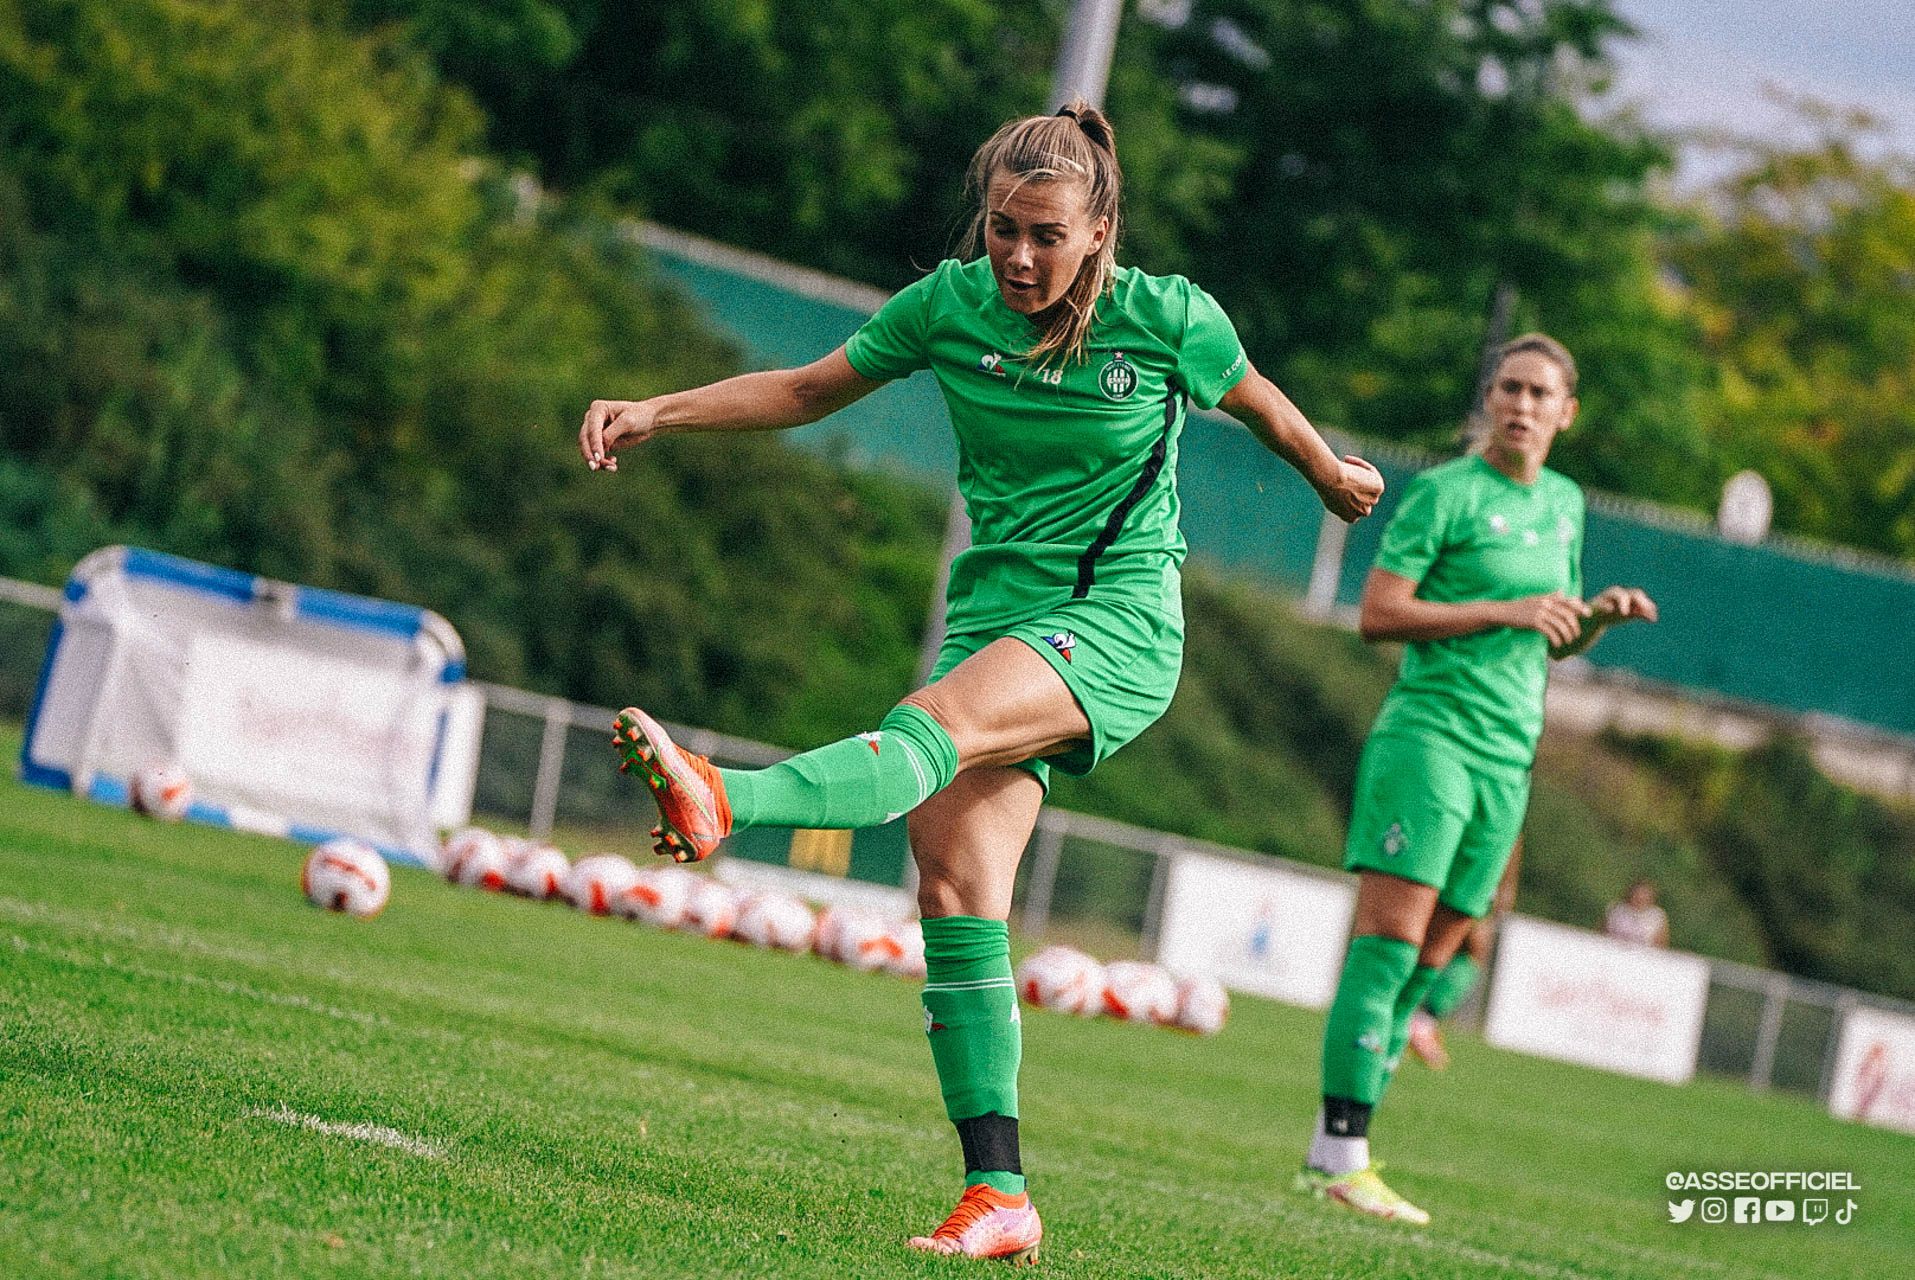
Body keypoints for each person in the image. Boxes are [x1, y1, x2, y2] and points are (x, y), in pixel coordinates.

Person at [578, 103, 1384, 1262]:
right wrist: (658, 407)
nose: (1016, 255)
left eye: (1045, 234)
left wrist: (1327, 474)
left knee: (929, 727)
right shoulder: (947, 307)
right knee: (956, 892)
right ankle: (999, 1192)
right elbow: (808, 390)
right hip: (994, 620)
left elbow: (1253, 396)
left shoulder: (1165, 317)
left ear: (1099, 226)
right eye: (1002, 228)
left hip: (1115, 622)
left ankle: (724, 797)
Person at [1298, 334, 1658, 1226]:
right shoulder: (1445, 492)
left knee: (1435, 958)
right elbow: (1378, 616)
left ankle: (1335, 1141)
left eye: (1540, 393)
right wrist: (1506, 607)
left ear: (1565, 413)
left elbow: (1547, 630)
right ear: (1488, 399)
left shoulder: (1566, 503)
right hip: (1430, 741)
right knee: (1387, 945)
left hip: (1509, 758)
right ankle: (1345, 1153)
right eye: (1507, 386)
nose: (1521, 404)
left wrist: (1596, 621)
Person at [1404, 835, 1522, 1070]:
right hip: (1471, 871)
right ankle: (1417, 1023)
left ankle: (1409, 1021)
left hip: (1449, 865)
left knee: (1443, 944)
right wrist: (1506, 889)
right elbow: (1511, 837)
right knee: (1471, 949)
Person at [1604, 878, 1669, 947]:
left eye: (1644, 895)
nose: (1640, 898)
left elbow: (1661, 945)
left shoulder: (1657, 916)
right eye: (1637, 894)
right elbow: (1600, 934)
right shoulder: (1616, 909)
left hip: (1641, 955)